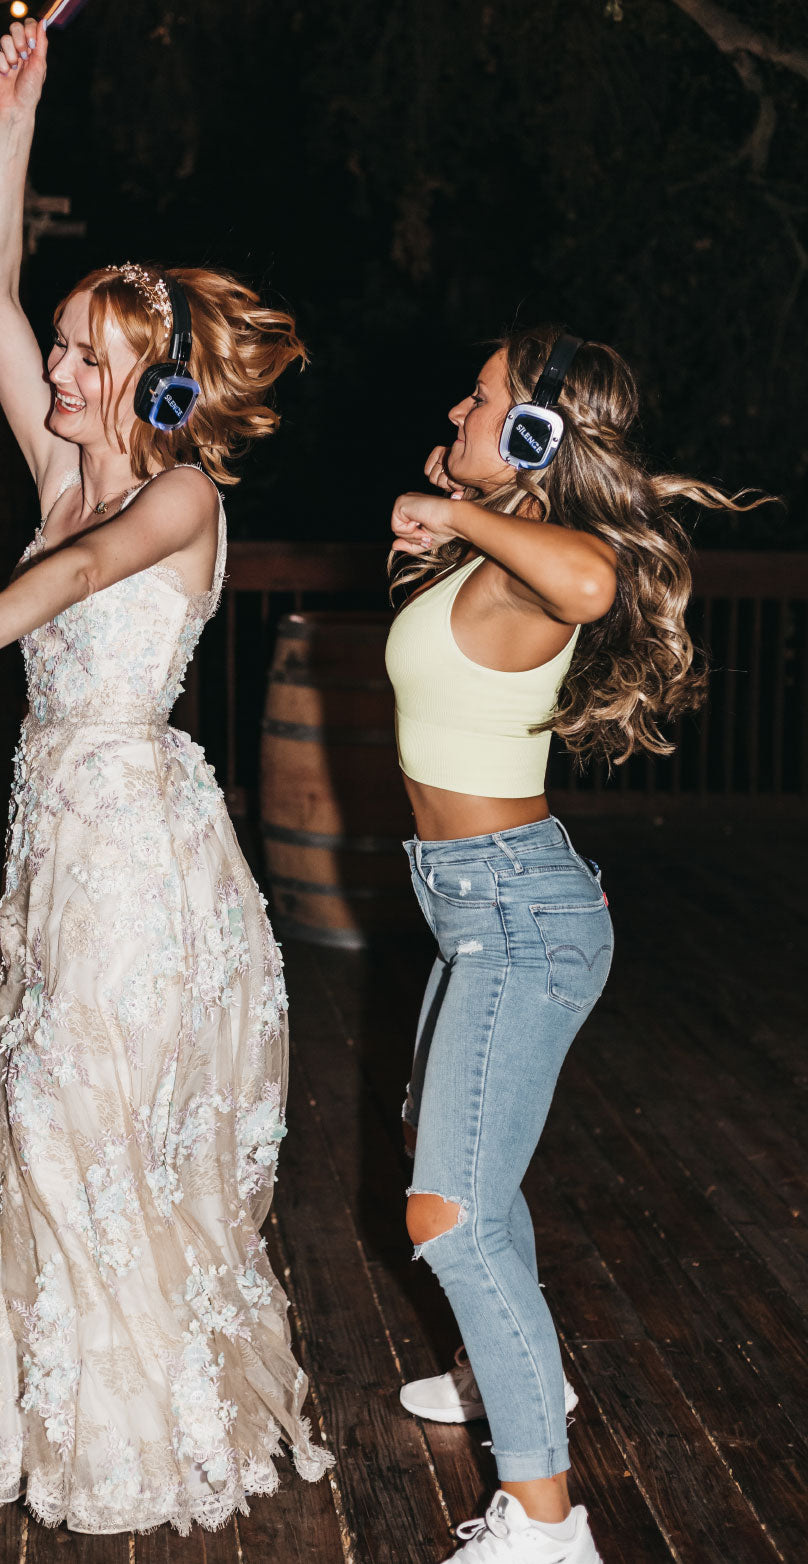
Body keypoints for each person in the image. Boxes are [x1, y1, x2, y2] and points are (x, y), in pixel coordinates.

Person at [0, 17, 331, 1535]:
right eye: (57, 349)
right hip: (51, 852)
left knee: (67, 1114)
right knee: (18, 1107)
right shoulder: (60, 468)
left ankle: (134, 1413)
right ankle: (58, 1388)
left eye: (81, 358)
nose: (50, 367)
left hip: (136, 851)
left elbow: (86, 575)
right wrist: (16, 118)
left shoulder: (177, 497)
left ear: (151, 385)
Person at [385, 328, 760, 1563]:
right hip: (469, 905)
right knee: (458, 1171)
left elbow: (596, 582)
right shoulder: (498, 556)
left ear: (539, 435)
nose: (458, 402)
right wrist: (452, 527)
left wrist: (457, 515)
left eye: (485, 398)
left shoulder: (550, 564)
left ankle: (547, 1528)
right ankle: (507, 1380)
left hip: (519, 918)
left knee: (448, 1216)